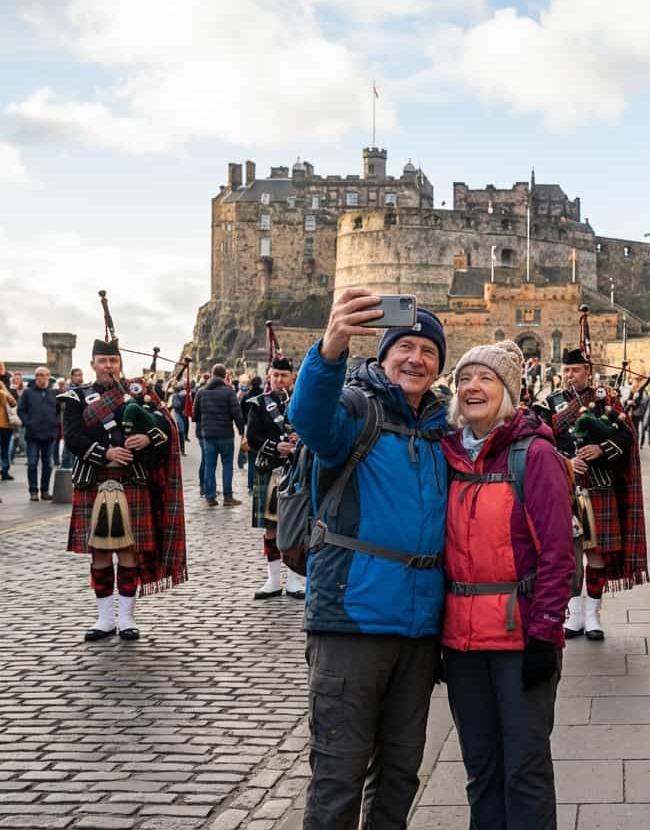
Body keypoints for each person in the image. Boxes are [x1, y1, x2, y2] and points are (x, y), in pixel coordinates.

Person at [289, 288, 449, 829]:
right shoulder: (355, 410)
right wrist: (331, 346)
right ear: (382, 356)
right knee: (339, 772)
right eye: (405, 345)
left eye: (429, 351)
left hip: (420, 627)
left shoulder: (441, 429)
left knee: (401, 772)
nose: (416, 358)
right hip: (351, 618)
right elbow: (308, 417)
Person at [440, 340, 573, 830]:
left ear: (509, 391)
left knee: (525, 769)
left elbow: (558, 555)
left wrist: (545, 634)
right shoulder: (448, 456)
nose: (473, 388)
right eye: (464, 379)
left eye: (486, 379)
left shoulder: (534, 456)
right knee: (481, 771)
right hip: (462, 642)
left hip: (520, 639)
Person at [62, 331, 187, 642]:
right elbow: (73, 438)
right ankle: (104, 619)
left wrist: (147, 438)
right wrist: (105, 453)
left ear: (120, 363)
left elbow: (165, 431)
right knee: (100, 554)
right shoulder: (76, 398)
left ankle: (128, 618)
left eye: (113, 360)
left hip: (133, 480)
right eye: (102, 360)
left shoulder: (138, 394)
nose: (108, 366)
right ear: (92, 363)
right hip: (95, 481)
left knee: (129, 551)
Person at [551, 348, 649, 641]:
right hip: (565, 488)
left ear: (588, 372)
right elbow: (543, 439)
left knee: (596, 553)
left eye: (576, 370)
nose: (571, 376)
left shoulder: (605, 400)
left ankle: (593, 615)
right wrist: (566, 461)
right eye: (567, 371)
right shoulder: (552, 402)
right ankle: (575, 615)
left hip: (598, 486)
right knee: (569, 554)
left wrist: (600, 450)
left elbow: (626, 436)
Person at [245, 357, 302, 600]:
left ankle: (295, 581)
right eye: (275, 375)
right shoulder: (258, 404)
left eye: (284, 375)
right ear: (269, 375)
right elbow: (252, 438)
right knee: (271, 527)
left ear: (292, 377)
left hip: (297, 470)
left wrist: (300, 439)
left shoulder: (302, 403)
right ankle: (274, 580)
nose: (279, 380)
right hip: (269, 470)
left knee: (298, 527)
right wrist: (275, 447)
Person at [193, 364, 244, 507]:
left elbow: (195, 415)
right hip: (226, 434)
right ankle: (228, 497)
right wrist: (241, 430)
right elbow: (237, 414)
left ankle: (210, 497)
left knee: (210, 465)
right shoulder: (229, 392)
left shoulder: (201, 392)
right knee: (227, 465)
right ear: (224, 375)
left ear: (212, 374)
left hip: (208, 435)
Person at [18, 366, 59, 501]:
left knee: (48, 464)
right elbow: (21, 410)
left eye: (42, 375)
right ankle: (33, 491)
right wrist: (28, 422)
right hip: (33, 434)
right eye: (37, 375)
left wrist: (55, 423)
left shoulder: (54, 393)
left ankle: (45, 491)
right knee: (32, 463)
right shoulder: (28, 393)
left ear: (48, 376)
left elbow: (59, 411)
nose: (39, 377)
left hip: (50, 434)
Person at [0, 372, 16, 481]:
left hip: (5, 425)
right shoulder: (2, 392)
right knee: (5, 449)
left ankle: (4, 470)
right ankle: (5, 471)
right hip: (4, 425)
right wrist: (4, 389)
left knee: (5, 449)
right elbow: (13, 402)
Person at [167, 381, 189, 454]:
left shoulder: (174, 395)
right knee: (181, 431)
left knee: (178, 431)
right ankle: (182, 450)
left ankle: (178, 449)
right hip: (182, 414)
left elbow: (172, 406)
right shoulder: (186, 394)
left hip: (176, 413)